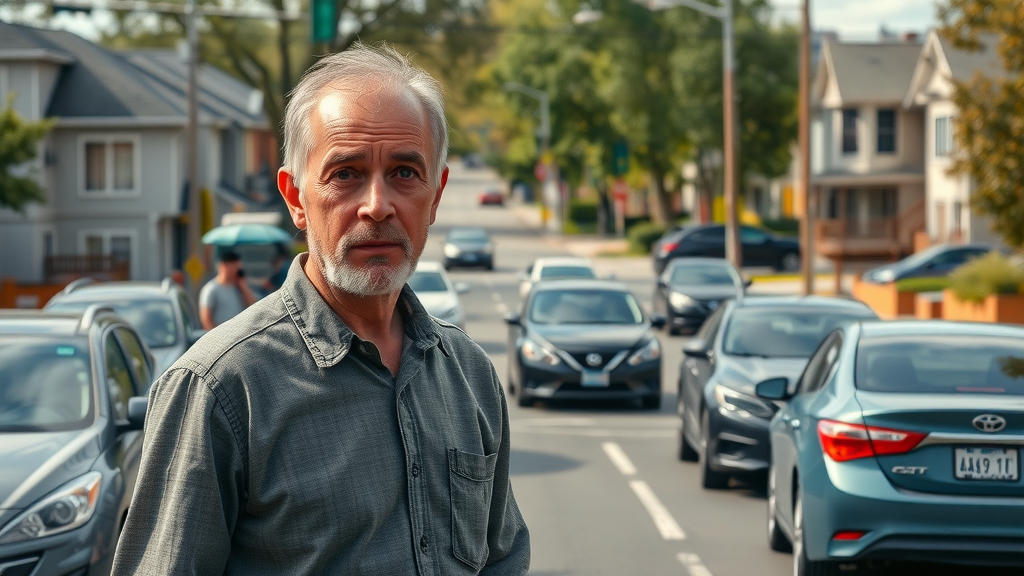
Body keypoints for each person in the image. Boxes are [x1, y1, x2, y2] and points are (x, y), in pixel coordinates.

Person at [112, 43, 530, 575]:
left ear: (437, 193)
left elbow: (503, 558)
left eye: (405, 172)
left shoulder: (469, 374)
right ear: (295, 196)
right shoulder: (219, 389)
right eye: (346, 173)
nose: (377, 205)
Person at [198, 249, 257, 329]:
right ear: (223, 265)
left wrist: (242, 285)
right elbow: (206, 319)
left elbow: (253, 305)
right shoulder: (211, 289)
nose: (236, 270)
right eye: (233, 266)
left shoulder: (239, 287)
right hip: (220, 335)